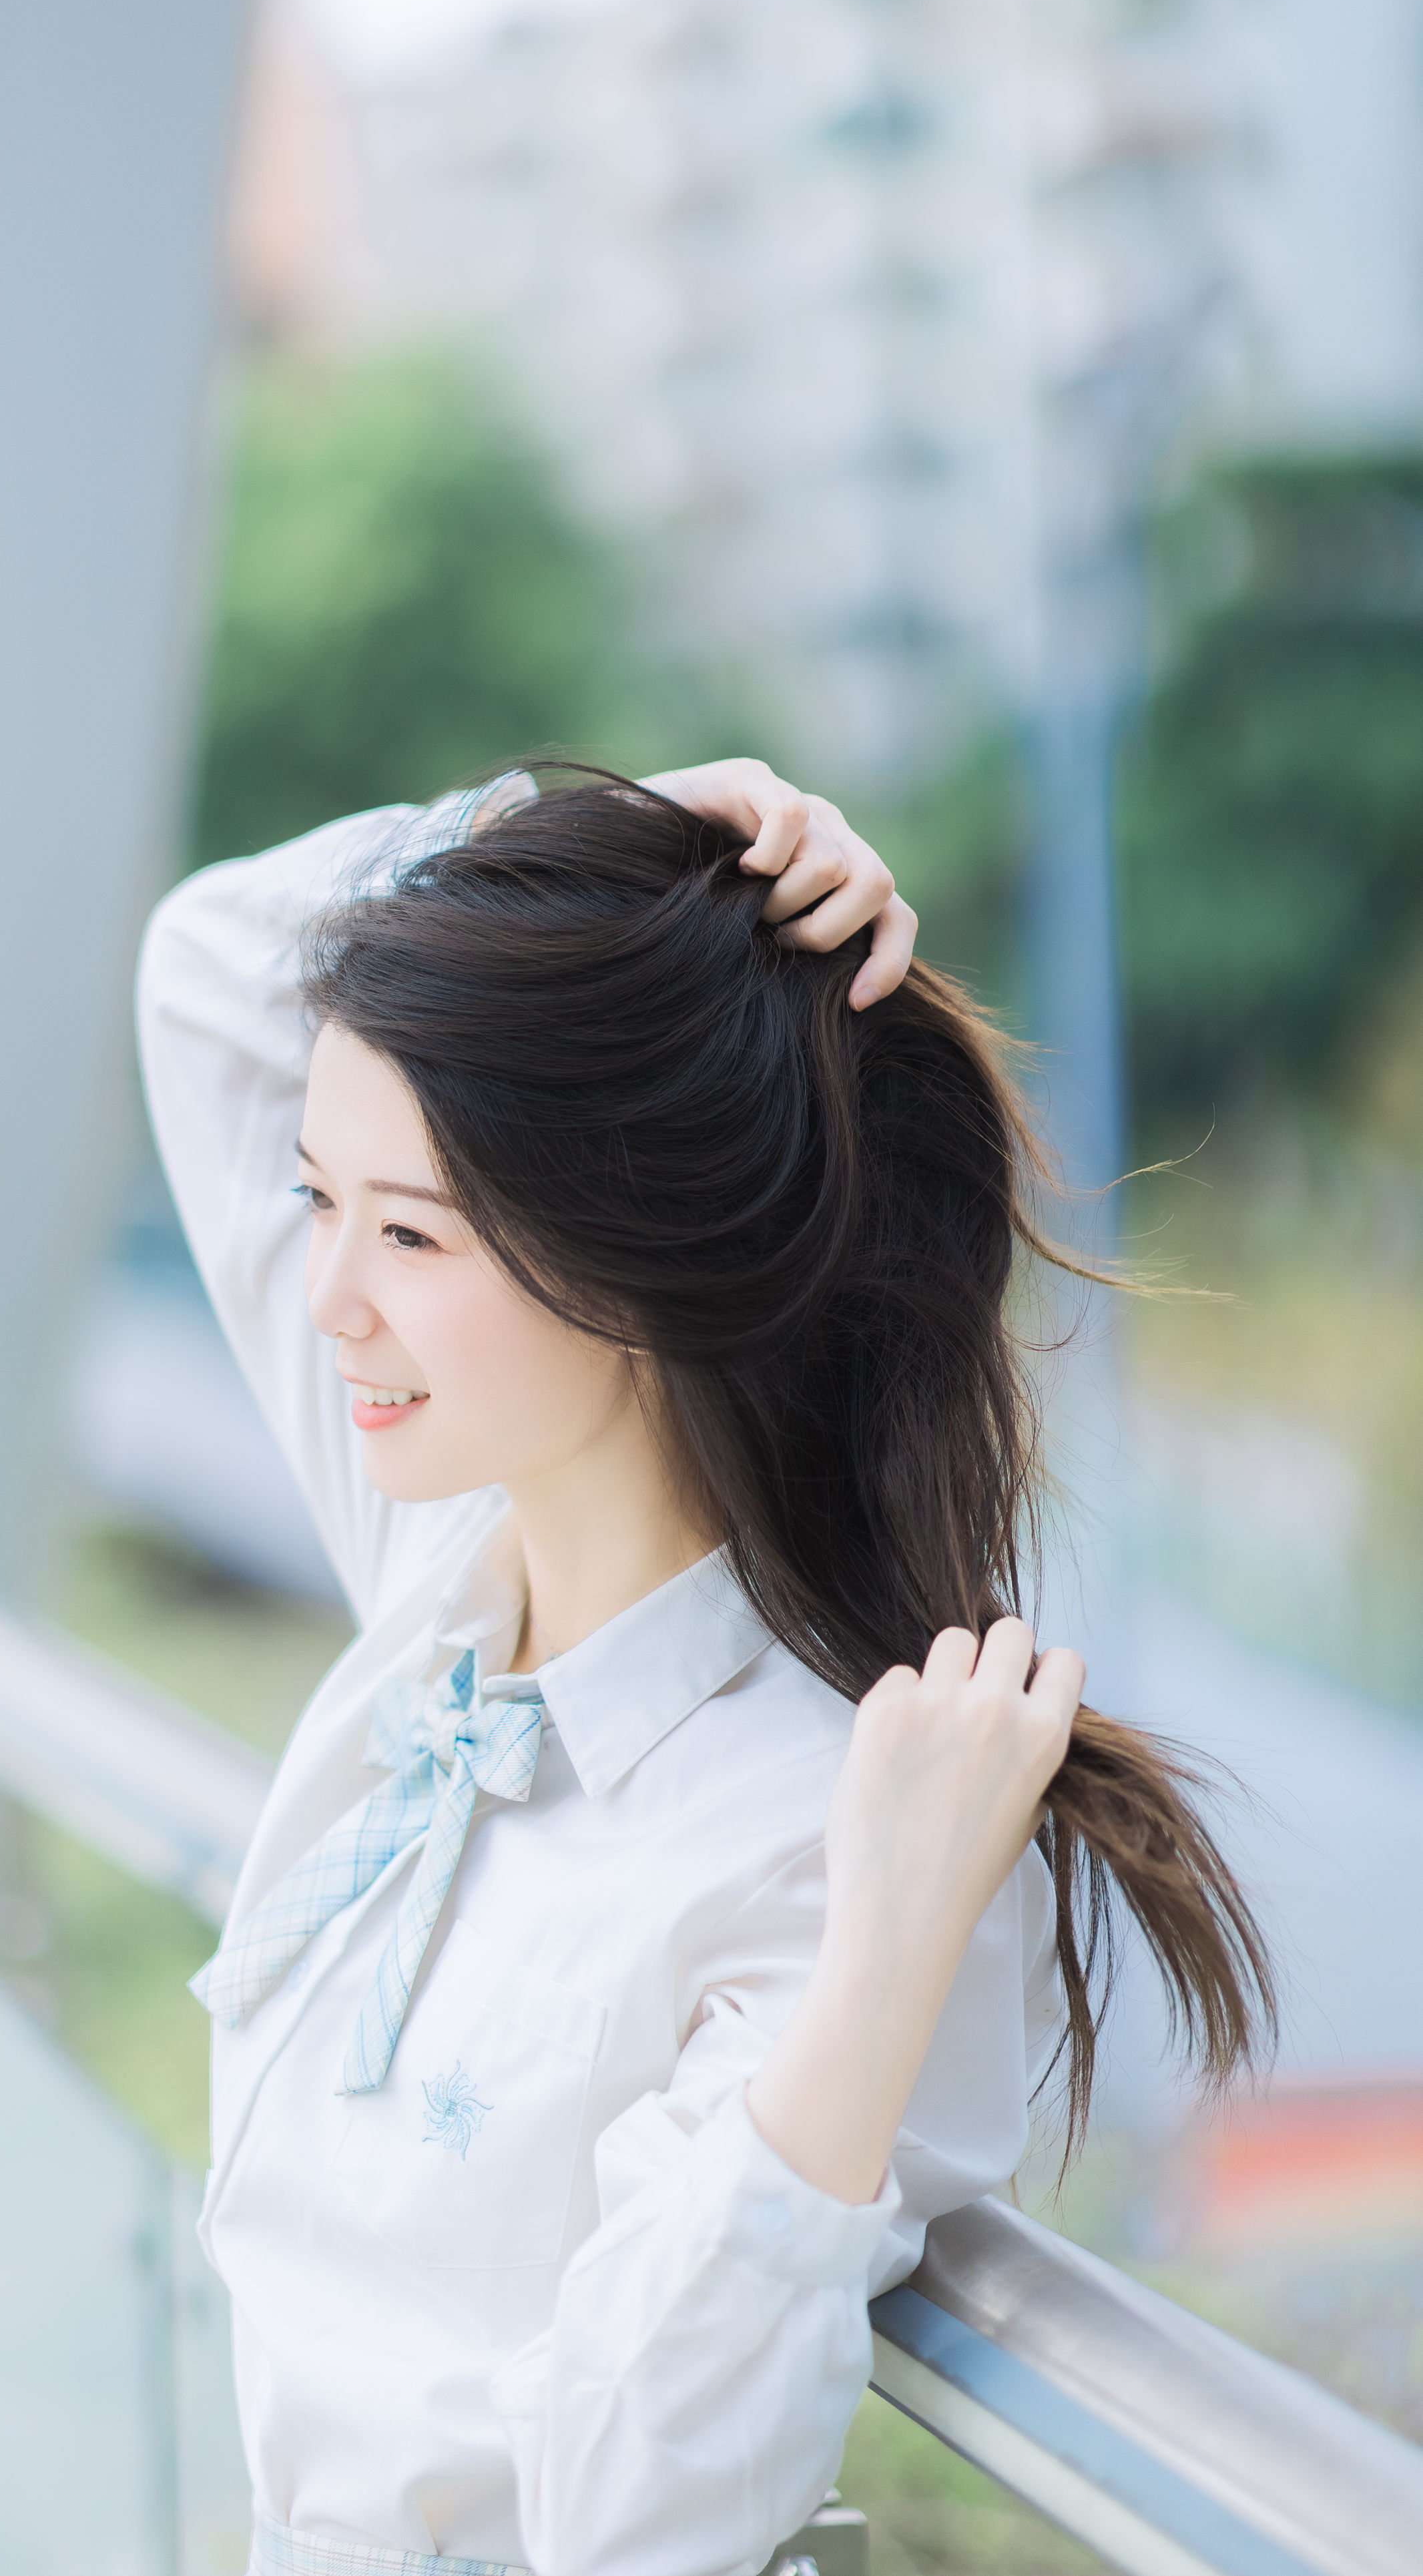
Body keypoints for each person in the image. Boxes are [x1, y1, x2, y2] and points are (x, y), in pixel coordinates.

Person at [137, 758, 1272, 2576]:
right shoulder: (441, 1565)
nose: (327, 1287)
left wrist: (884, 1948)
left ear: (633, 1260)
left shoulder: (835, 1828)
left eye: (408, 1232)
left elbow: (635, 2520)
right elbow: (208, 968)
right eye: (313, 1199)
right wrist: (594, 843)